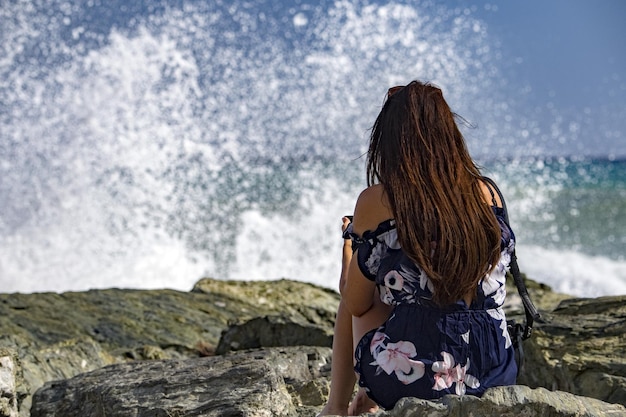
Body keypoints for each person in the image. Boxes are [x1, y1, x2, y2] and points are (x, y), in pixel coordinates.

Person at [318, 81, 518, 416]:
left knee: (368, 297)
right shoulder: (488, 193)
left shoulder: (380, 200)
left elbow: (354, 302)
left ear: (391, 141)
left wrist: (351, 242)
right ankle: (372, 390)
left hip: (420, 383)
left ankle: (336, 409)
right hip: (496, 373)